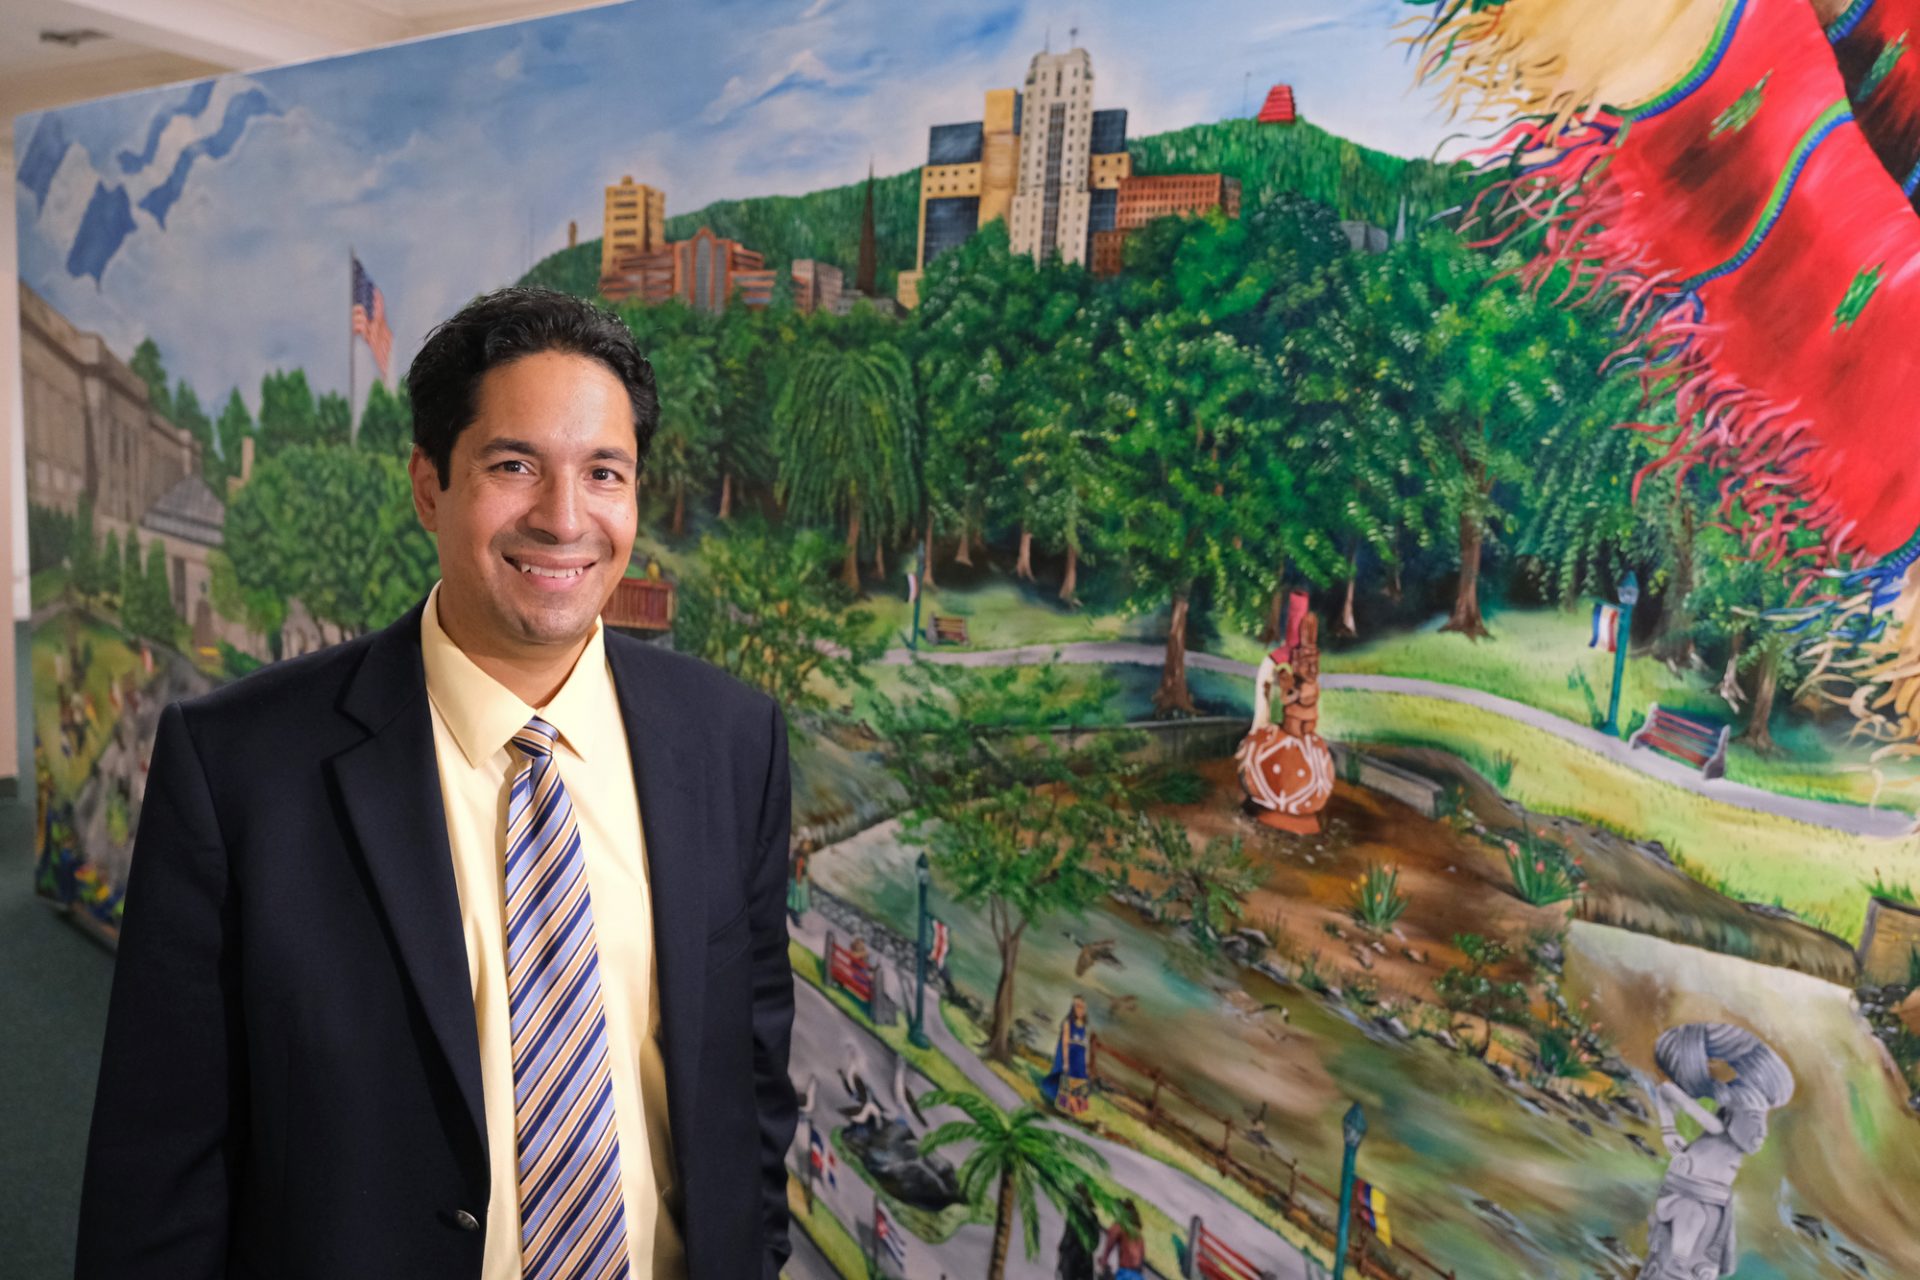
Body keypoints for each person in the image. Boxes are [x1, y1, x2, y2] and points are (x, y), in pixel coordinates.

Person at [76, 287, 797, 1280]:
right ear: (428, 486)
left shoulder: (731, 739)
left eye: (604, 472)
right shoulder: (239, 768)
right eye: (514, 466)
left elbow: (751, 1080)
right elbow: (158, 1168)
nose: (564, 516)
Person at [1041, 994, 1094, 1117]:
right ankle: (1064, 1109)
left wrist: (1086, 1063)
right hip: (1070, 1056)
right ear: (1073, 1007)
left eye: (1082, 1007)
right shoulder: (1067, 1023)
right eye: (1077, 1006)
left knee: (1080, 1086)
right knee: (1067, 1084)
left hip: (1079, 1060)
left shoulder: (1085, 1026)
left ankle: (1074, 1111)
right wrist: (1065, 1061)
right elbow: (1065, 1042)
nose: (1080, 1009)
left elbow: (1085, 1046)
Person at [1097, 1199, 1147, 1280]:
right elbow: (1141, 1260)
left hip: (1125, 1274)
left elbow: (1110, 1244)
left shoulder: (1119, 1226)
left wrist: (1104, 1260)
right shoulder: (1138, 1233)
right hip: (1138, 1276)